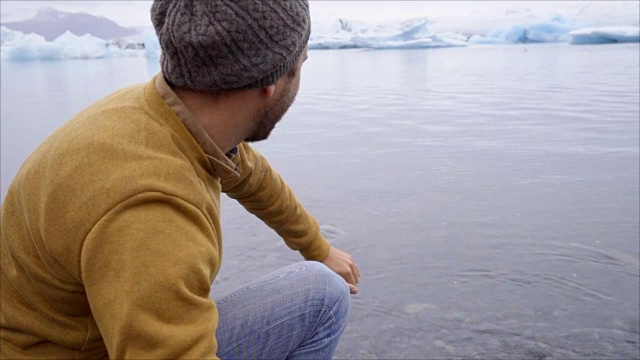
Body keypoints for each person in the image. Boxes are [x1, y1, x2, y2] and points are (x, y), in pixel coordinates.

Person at [0, 0, 360, 358]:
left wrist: (318, 247)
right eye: (301, 63)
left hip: (75, 336)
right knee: (324, 305)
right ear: (272, 82)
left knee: (323, 290)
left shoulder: (155, 114)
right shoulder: (153, 212)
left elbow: (251, 175)